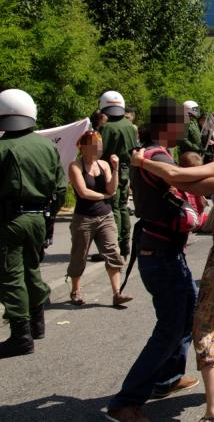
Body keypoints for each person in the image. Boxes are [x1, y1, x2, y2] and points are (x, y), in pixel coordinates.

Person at [106, 98, 214, 422]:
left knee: (187, 313)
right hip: (160, 255)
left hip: (166, 252)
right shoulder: (155, 156)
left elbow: (194, 181)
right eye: (183, 123)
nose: (187, 129)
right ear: (170, 125)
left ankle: (167, 377)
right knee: (172, 326)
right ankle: (126, 402)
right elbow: (189, 180)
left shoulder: (153, 154)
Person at [0, 89, 66, 359]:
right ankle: (37, 322)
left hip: (10, 220)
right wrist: (49, 217)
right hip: (40, 217)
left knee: (10, 275)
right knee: (32, 267)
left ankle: (20, 335)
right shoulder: (47, 146)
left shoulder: (2, 148)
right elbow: (60, 189)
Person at [67, 130, 132, 307]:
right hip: (84, 218)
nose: (99, 149)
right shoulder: (76, 166)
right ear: (84, 147)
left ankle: (117, 293)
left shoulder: (104, 164)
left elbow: (112, 189)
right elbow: (83, 192)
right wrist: (104, 196)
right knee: (79, 255)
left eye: (100, 146)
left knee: (113, 252)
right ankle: (75, 290)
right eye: (95, 146)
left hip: (105, 216)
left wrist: (116, 168)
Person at [98, 90, 138, 259]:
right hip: (126, 169)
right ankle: (124, 244)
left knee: (113, 207)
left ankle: (113, 246)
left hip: (111, 169)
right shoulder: (129, 125)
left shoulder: (107, 127)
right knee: (122, 206)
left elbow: (101, 151)